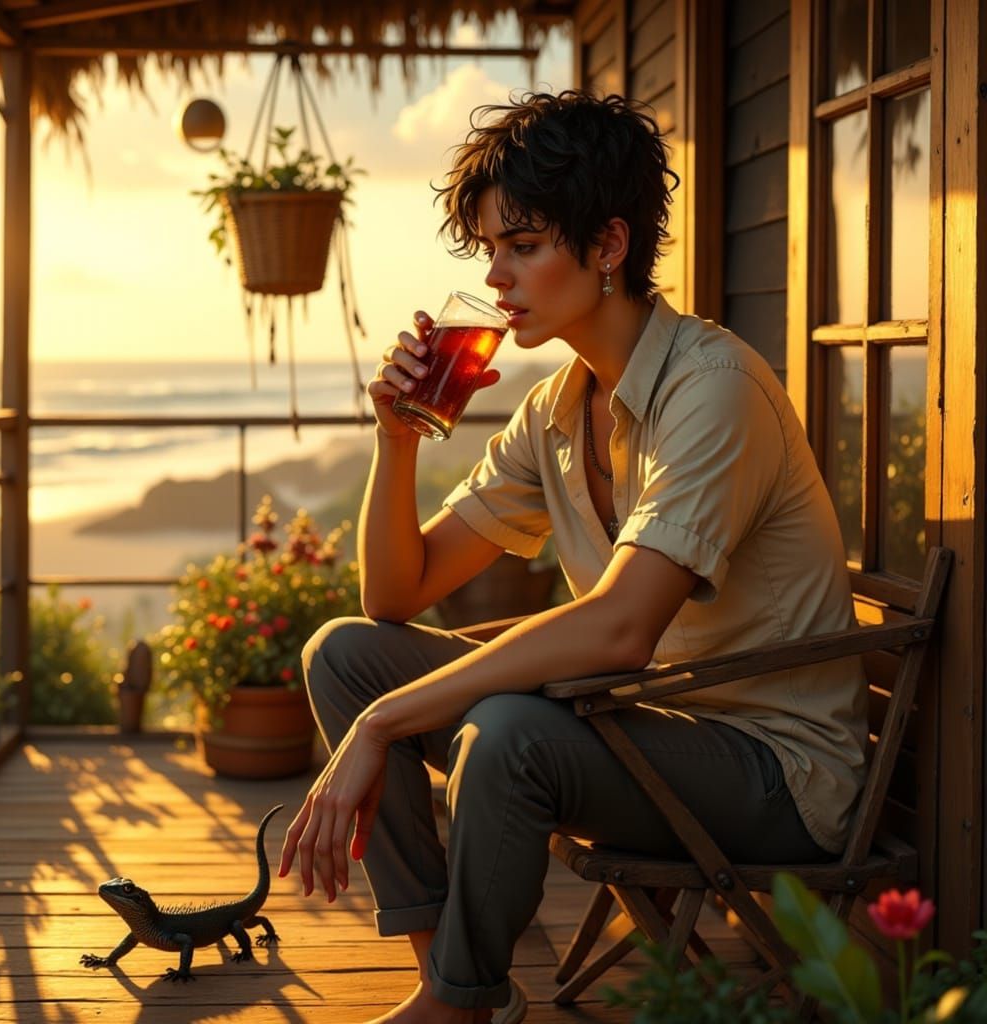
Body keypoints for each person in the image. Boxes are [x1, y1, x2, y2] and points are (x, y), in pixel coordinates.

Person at [278, 90, 867, 1024]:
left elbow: (624, 626)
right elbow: (397, 591)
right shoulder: (557, 407)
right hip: (639, 727)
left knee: (505, 731)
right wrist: (395, 442)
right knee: (347, 652)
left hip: (771, 771)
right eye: (488, 252)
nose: (498, 276)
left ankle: (462, 1001)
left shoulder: (713, 390)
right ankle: (451, 986)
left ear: (607, 246)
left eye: (525, 245)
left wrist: (384, 726)